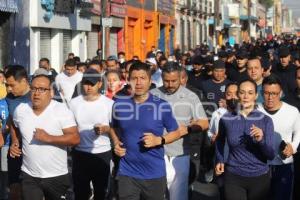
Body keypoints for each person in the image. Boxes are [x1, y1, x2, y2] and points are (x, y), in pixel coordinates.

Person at [110, 61, 182, 200]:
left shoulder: (162, 106)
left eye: (143, 78)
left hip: (154, 174)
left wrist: (159, 140)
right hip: (127, 172)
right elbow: (113, 127)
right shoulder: (119, 105)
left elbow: (176, 132)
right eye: (134, 78)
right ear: (128, 81)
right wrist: (116, 143)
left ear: (150, 81)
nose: (138, 82)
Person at [12, 74, 80, 200]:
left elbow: (75, 139)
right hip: (29, 175)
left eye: (42, 89)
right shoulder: (21, 110)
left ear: (51, 92)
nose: (37, 93)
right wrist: (15, 141)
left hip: (56, 175)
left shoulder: (61, 111)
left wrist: (48, 137)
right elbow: (13, 123)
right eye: (33, 88)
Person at [151, 62, 209, 200]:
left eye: (174, 81)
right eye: (166, 81)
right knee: (158, 192)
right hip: (158, 151)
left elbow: (204, 122)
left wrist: (188, 129)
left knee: (179, 194)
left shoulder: (191, 96)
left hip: (181, 153)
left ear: (181, 78)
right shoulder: (153, 95)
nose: (170, 85)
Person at [215, 79, 275, 200]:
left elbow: (271, 155)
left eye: (250, 92)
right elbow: (219, 140)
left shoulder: (265, 120)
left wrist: (261, 140)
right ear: (237, 95)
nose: (246, 96)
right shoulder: (226, 119)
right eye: (242, 92)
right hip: (233, 175)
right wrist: (219, 159)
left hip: (259, 177)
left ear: (256, 95)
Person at [69, 69, 114, 200]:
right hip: (80, 153)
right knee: (80, 193)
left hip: (102, 153)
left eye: (92, 84)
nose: (88, 87)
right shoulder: (74, 103)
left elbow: (116, 129)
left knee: (101, 193)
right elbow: (67, 127)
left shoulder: (109, 104)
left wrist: (105, 129)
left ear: (100, 84)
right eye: (85, 83)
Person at [257, 75, 300, 200]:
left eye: (274, 93)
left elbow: (298, 133)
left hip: (284, 165)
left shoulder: (292, 111)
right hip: (259, 165)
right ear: (261, 92)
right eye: (266, 93)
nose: (270, 97)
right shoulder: (255, 111)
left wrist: (293, 147)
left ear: (281, 93)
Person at [5, 65, 31, 200]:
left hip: (34, 152)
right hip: (14, 150)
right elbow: (11, 120)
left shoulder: (37, 97)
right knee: (14, 190)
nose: (9, 89)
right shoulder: (9, 98)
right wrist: (14, 141)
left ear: (24, 81)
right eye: (6, 85)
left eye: (12, 85)